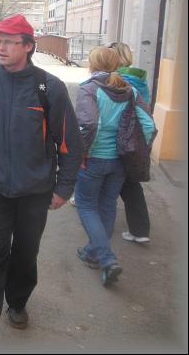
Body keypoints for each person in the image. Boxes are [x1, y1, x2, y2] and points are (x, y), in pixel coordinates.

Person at [0, 13, 82, 348]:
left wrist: (64, 187)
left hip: (34, 191)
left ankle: (17, 300)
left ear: (28, 46)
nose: (0, 48)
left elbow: (69, 142)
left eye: (9, 42)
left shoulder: (49, 88)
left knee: (26, 253)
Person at [74, 46, 156, 285]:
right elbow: (148, 127)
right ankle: (92, 252)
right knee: (107, 205)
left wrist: (81, 153)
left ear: (93, 64)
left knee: (87, 206)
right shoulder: (129, 90)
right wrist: (139, 151)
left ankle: (107, 258)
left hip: (93, 159)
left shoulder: (90, 89)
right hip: (120, 161)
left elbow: (88, 125)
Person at [108, 41, 151, 244]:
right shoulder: (139, 79)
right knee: (131, 184)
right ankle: (140, 229)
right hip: (136, 139)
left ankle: (98, 233)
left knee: (111, 180)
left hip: (118, 138)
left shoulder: (118, 81)